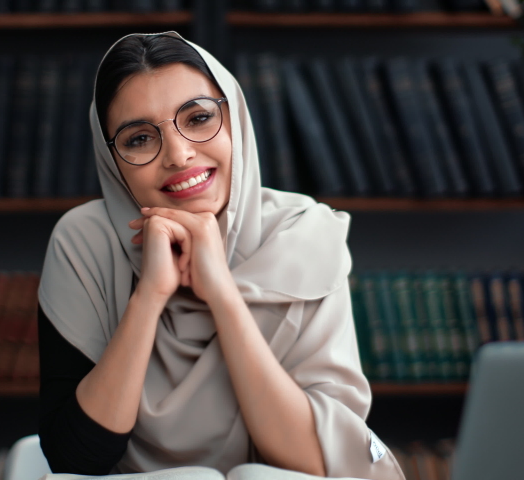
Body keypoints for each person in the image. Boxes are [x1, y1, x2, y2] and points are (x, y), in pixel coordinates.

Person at [37, 31, 406, 480]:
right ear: (111, 160)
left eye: (197, 118)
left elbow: (320, 463)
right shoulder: (85, 243)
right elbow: (74, 460)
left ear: (235, 120)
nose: (179, 154)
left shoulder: (304, 236)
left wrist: (223, 295)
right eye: (138, 139)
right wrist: (150, 296)